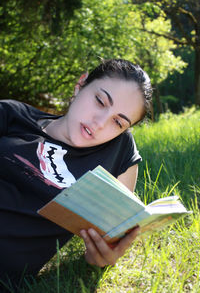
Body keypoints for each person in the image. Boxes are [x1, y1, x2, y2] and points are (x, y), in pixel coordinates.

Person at [0, 59, 153, 291]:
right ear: (80, 85)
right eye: (100, 101)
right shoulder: (11, 115)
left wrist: (100, 258)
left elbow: (114, 232)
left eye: (118, 122)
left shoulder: (118, 149)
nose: (100, 123)